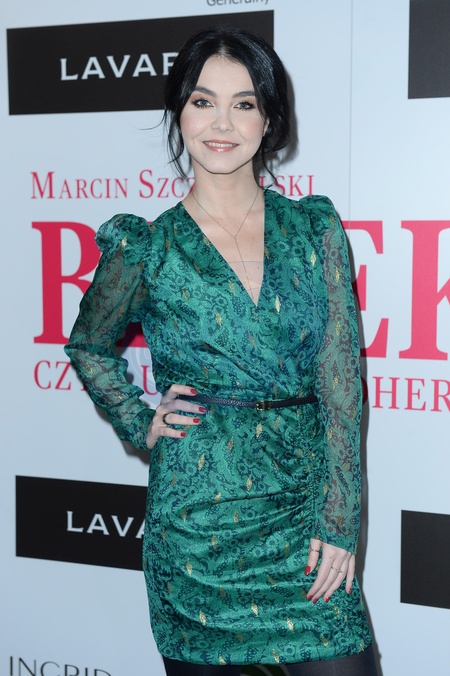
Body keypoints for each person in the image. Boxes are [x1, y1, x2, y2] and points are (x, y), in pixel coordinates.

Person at [65, 26, 378, 676]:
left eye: (244, 104)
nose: (223, 123)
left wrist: (341, 520)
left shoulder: (315, 230)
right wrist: (138, 420)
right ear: (179, 113)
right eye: (203, 101)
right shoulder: (147, 248)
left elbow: (342, 385)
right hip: (196, 530)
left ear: (269, 120)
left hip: (305, 520)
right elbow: (89, 344)